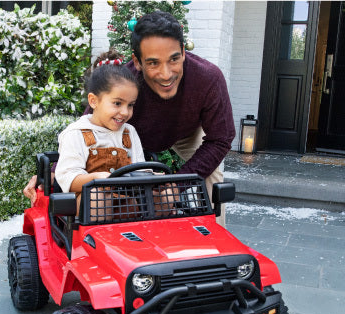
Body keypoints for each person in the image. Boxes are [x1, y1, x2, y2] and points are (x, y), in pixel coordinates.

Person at [25, 11, 234, 224]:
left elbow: (221, 138)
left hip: (185, 130)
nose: (166, 74)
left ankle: (214, 248)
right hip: (125, 131)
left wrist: (174, 186)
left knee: (209, 174)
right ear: (137, 61)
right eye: (153, 63)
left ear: (183, 51)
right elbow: (89, 126)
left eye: (174, 59)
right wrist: (51, 176)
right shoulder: (122, 88)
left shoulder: (209, 78)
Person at [52, 50, 146, 216]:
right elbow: (68, 179)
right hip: (86, 207)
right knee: (99, 196)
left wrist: (155, 178)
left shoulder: (129, 132)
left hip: (125, 200)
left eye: (130, 105)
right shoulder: (76, 133)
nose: (125, 112)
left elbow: (141, 172)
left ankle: (164, 238)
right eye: (117, 103)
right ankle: (94, 240)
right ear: (93, 101)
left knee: (160, 196)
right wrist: (98, 179)